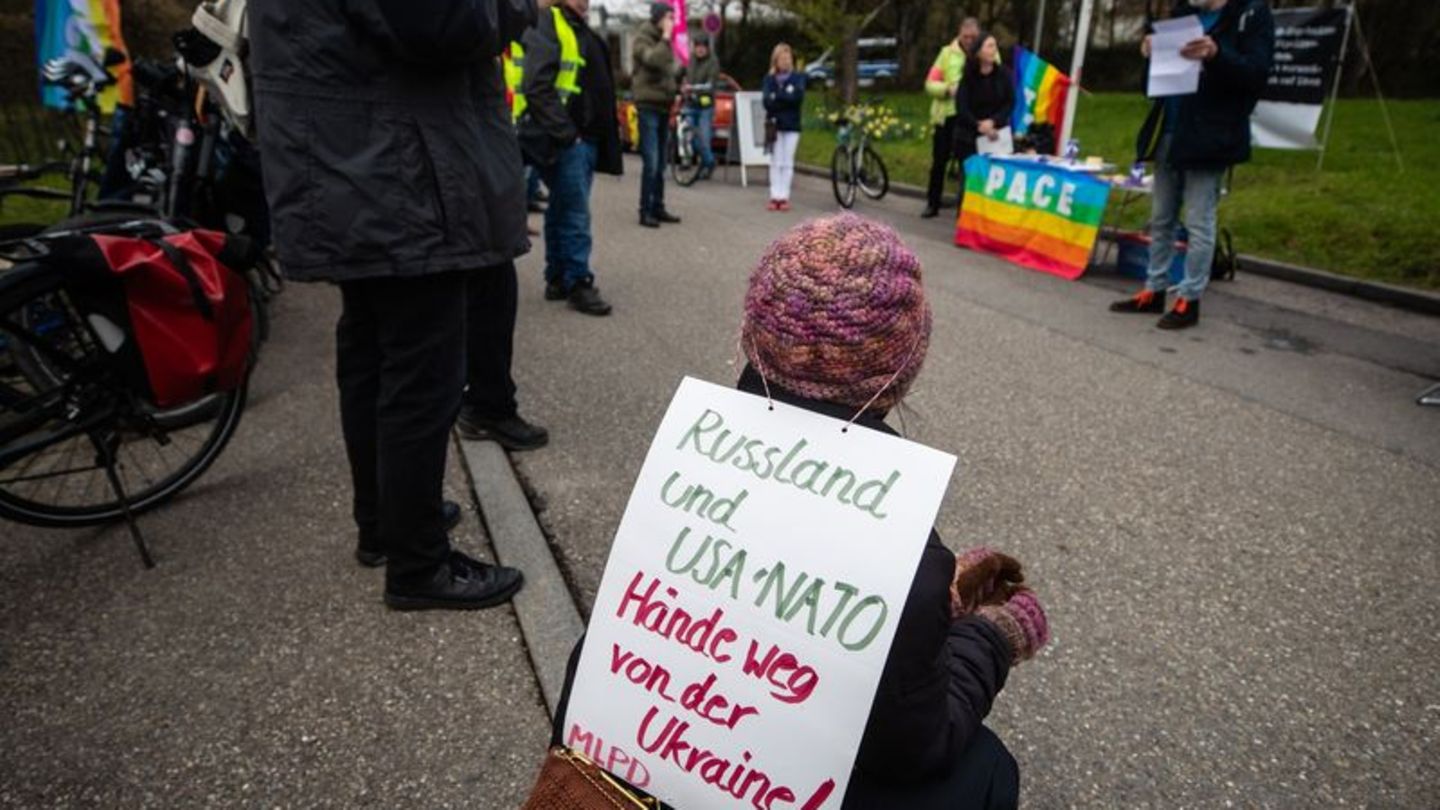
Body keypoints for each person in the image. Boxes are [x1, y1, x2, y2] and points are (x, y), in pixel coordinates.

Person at [548, 214, 1050, 809]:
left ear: (751, 335)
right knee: (987, 769)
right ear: (903, 368)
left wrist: (932, 602)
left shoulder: (682, 469)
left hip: (631, 758)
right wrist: (990, 637)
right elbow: (918, 748)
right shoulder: (905, 558)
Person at [249, 0, 529, 609]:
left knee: (371, 355)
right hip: (397, 168)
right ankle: (419, 564)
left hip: (354, 161)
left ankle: (384, 523)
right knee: (422, 374)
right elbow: (443, 24)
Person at [1110, 0, 1274, 329]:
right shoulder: (1182, 15)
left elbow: (1256, 73)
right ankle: (1153, 290)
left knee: (1199, 220)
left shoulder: (1250, 14)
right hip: (1171, 129)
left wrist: (1216, 55)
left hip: (1211, 134)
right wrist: (1150, 55)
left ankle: (1189, 298)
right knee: (1161, 218)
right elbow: (1150, 87)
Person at [518, 0, 624, 316]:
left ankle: (557, 277)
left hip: (579, 139)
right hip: (567, 141)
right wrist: (568, 135)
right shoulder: (550, 22)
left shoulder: (576, 27)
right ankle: (578, 281)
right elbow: (536, 85)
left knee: (563, 208)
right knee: (575, 213)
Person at [922, 17, 981, 218]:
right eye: (965, 37)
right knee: (939, 160)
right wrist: (948, 89)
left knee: (969, 164)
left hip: (972, 116)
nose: (969, 41)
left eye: (973, 37)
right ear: (959, 34)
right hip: (947, 115)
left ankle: (965, 209)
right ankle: (933, 202)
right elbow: (930, 83)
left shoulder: (987, 52)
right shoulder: (946, 54)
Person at [632, 2, 682, 228]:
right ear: (658, 18)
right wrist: (666, 37)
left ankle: (658, 206)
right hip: (648, 106)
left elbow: (667, 71)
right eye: (668, 17)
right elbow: (653, 60)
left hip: (664, 105)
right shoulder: (643, 37)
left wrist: (679, 84)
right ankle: (645, 210)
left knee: (661, 161)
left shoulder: (666, 41)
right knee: (651, 161)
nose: (671, 21)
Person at [954, 33, 1014, 208]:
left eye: (995, 46)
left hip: (995, 136)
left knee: (993, 185)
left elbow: (1010, 102)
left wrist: (993, 122)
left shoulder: (1003, 74)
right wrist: (978, 125)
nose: (993, 50)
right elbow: (962, 107)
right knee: (969, 184)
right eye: (989, 46)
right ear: (979, 51)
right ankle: (965, 225)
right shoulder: (968, 76)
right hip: (969, 137)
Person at [680, 32, 740, 180]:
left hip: (705, 106)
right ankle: (709, 162)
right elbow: (681, 77)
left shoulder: (713, 62)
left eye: (703, 47)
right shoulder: (689, 61)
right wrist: (681, 86)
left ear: (707, 48)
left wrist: (691, 88)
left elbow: (710, 85)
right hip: (690, 104)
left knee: (704, 138)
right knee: (689, 136)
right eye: (697, 47)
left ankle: (707, 164)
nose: (700, 50)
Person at [762, 43, 806, 212]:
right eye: (782, 59)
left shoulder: (798, 78)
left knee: (787, 161)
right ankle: (775, 196)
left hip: (792, 126)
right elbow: (767, 102)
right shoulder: (769, 79)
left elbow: (797, 99)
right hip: (775, 125)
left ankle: (784, 196)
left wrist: (778, 96)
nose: (785, 62)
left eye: (788, 59)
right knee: (776, 161)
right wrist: (785, 96)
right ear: (776, 60)